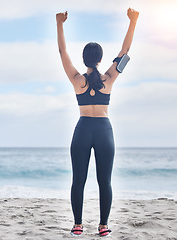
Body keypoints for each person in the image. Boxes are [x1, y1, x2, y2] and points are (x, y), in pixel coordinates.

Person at [56, 8, 139, 237]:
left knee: (78, 181)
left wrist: (59, 24)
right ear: (101, 59)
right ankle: (103, 226)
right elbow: (125, 51)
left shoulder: (76, 80)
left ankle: (78, 225)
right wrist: (133, 21)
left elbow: (62, 51)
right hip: (104, 131)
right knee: (105, 182)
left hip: (83, 130)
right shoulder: (109, 78)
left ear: (83, 60)